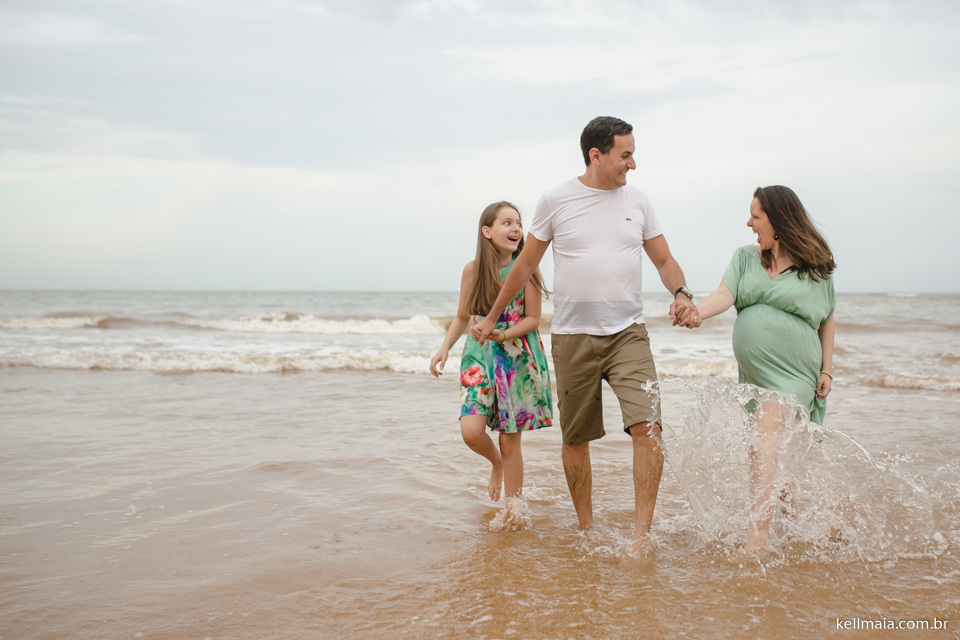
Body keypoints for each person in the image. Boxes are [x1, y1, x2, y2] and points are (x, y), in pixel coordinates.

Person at [472, 116, 695, 551]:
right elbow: (525, 266)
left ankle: (640, 537)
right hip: (573, 336)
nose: (632, 163)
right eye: (625, 154)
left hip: (628, 333)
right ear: (597, 155)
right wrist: (492, 317)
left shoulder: (640, 202)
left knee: (649, 429)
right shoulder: (556, 200)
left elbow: (665, 260)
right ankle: (587, 530)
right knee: (576, 439)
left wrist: (682, 292)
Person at [674, 185, 836, 553]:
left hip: (796, 373)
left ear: (777, 221)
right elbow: (723, 296)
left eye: (756, 216)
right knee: (771, 450)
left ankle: (757, 536)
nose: (749, 223)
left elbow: (827, 319)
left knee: (764, 443)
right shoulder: (745, 258)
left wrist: (828, 370)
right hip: (756, 376)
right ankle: (808, 529)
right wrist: (697, 310)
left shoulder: (817, 268)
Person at [430, 201, 553, 503]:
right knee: (471, 432)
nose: (515, 229)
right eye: (506, 223)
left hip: (516, 360)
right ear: (487, 231)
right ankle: (495, 464)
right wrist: (444, 348)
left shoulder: (527, 267)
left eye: (518, 224)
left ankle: (513, 510)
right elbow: (463, 316)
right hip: (478, 358)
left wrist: (503, 333)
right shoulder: (472, 271)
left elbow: (533, 319)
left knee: (510, 441)